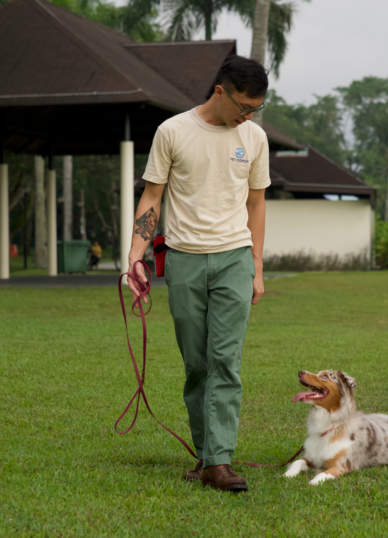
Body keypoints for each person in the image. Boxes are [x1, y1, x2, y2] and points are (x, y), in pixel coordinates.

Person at [126, 55, 269, 492]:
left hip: (234, 258)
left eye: (255, 110)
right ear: (220, 91)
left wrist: (257, 267)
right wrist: (135, 256)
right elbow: (152, 196)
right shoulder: (173, 131)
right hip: (185, 260)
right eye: (243, 106)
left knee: (226, 361)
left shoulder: (254, 137)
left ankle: (219, 462)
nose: (247, 116)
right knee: (197, 364)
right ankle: (207, 456)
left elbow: (256, 203)